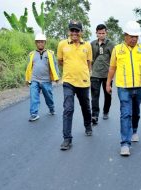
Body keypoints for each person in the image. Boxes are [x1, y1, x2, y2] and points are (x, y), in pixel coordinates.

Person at [106, 21, 141, 156]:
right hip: (123, 87)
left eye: (136, 36)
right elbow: (112, 68)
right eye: (131, 36)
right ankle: (125, 143)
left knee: (135, 111)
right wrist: (108, 83)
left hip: (139, 87)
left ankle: (134, 130)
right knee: (125, 113)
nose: (134, 39)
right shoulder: (117, 49)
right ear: (125, 35)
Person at [57, 20, 93, 150]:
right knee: (68, 109)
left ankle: (88, 125)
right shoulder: (62, 44)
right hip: (68, 81)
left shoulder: (87, 45)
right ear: (68, 31)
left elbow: (89, 63)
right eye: (72, 30)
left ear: (81, 32)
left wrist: (84, 73)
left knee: (85, 107)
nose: (74, 33)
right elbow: (60, 61)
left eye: (77, 30)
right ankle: (67, 139)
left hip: (83, 82)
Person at [25, 33, 59, 122]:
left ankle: (51, 108)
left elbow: (55, 66)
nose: (40, 44)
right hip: (34, 79)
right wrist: (27, 79)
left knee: (48, 97)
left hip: (46, 80)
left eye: (42, 42)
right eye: (38, 42)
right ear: (36, 43)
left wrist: (57, 77)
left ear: (45, 43)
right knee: (33, 96)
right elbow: (28, 67)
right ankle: (34, 114)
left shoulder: (50, 54)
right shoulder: (31, 54)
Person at [90, 24, 114, 125]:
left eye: (103, 33)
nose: (101, 35)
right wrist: (90, 71)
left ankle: (106, 111)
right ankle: (95, 115)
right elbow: (90, 59)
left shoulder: (111, 44)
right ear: (96, 33)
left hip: (107, 74)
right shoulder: (92, 44)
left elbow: (114, 59)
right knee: (95, 95)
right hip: (95, 74)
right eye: (99, 33)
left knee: (107, 94)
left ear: (106, 33)